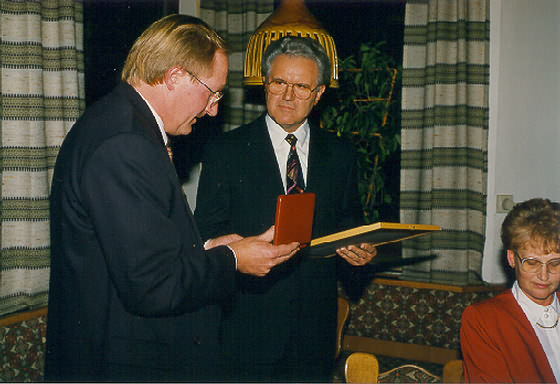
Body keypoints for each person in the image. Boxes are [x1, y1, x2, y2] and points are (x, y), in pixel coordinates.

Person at [44, 14, 299, 382]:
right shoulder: (125, 143)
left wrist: (208, 246)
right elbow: (151, 284)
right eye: (212, 92)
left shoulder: (123, 124)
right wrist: (232, 260)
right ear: (175, 76)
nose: (213, 109)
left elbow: (143, 247)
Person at [194, 36, 378, 382]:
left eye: (301, 86)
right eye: (279, 83)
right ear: (265, 84)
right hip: (245, 326)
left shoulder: (340, 154)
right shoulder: (226, 151)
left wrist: (360, 248)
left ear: (319, 93)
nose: (288, 96)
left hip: (314, 329)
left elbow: (349, 218)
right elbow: (205, 232)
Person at [460, 198, 560, 383]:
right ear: (512, 258)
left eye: (555, 263)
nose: (544, 275)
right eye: (532, 263)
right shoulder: (484, 319)